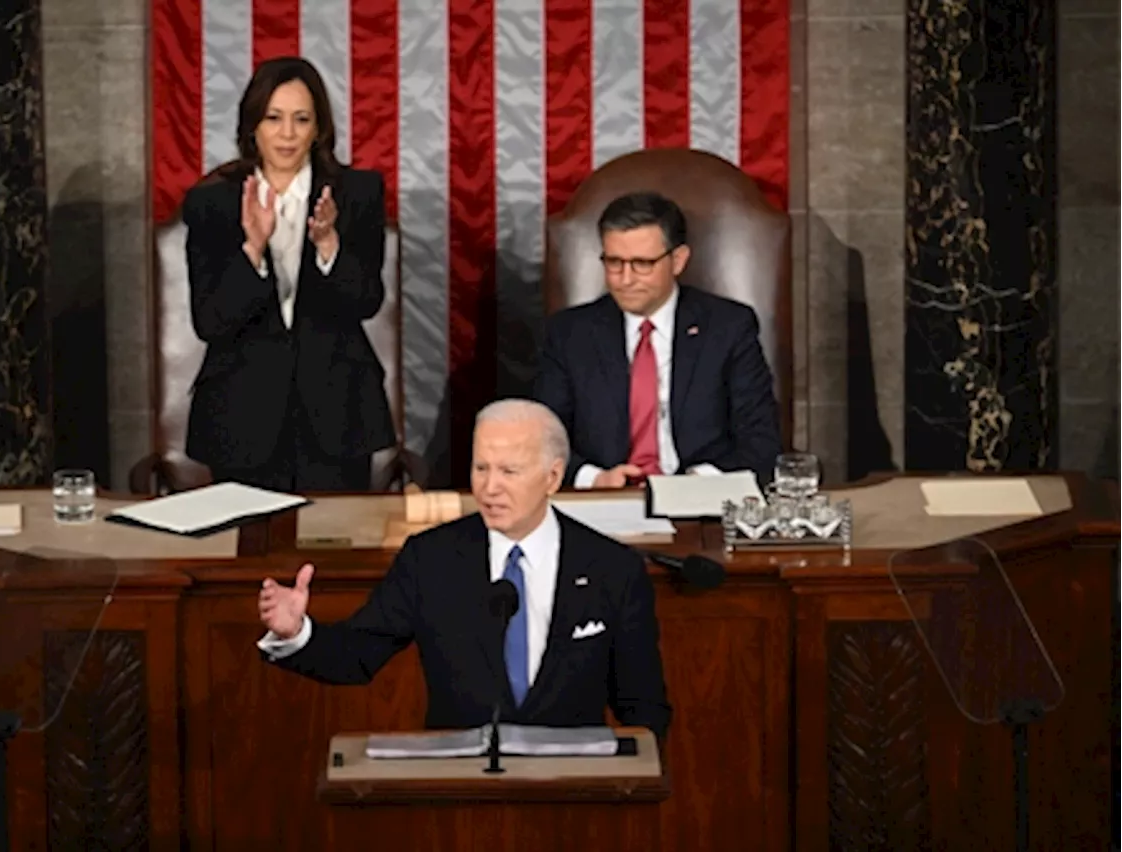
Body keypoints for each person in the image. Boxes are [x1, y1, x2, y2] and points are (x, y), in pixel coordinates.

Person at [255, 398, 671, 740]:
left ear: (552, 477)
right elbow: (357, 655)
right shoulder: (430, 558)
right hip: (459, 799)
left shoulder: (612, 568)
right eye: (481, 468)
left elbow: (644, 709)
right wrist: (296, 632)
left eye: (509, 471)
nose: (490, 488)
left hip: (573, 801)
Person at [181, 56, 395, 491]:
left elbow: (367, 300)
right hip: (240, 416)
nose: (287, 134)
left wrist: (328, 244)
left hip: (339, 414)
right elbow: (210, 321)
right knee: (250, 555)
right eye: (274, 118)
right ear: (252, 126)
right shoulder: (212, 202)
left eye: (301, 119)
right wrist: (253, 249)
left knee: (335, 549)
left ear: (318, 128)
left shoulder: (356, 194)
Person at [533, 191, 782, 489]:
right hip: (604, 502)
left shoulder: (728, 327)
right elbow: (543, 437)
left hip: (700, 501)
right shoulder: (570, 333)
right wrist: (595, 478)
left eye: (642, 264)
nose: (625, 279)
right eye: (614, 262)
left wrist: (694, 484)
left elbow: (761, 439)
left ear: (678, 261)